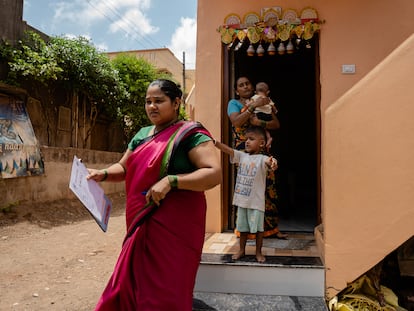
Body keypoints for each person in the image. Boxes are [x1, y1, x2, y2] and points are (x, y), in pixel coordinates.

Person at [86, 79, 221, 311]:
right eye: (148, 102)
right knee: (130, 285)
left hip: (175, 229)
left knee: (167, 289)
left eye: (159, 101)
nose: (152, 107)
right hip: (140, 223)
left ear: (176, 102)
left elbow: (213, 174)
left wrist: (172, 181)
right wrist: (103, 174)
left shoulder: (191, 134)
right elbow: (125, 168)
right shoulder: (142, 135)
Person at [228, 76, 287, 239]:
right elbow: (237, 122)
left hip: (262, 150)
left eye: (247, 83)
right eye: (241, 85)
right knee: (247, 189)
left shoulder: (264, 101)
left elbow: (276, 124)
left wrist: (260, 123)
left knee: (268, 188)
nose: (245, 86)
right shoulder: (234, 104)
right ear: (236, 90)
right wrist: (253, 106)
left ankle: (271, 228)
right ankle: (245, 230)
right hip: (245, 151)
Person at [214, 126, 278, 263]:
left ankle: (258, 252)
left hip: (256, 202)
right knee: (242, 228)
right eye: (246, 139)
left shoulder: (262, 158)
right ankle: (241, 250)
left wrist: (273, 163)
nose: (247, 142)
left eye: (251, 139)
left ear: (261, 143)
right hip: (242, 201)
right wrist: (216, 143)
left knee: (259, 229)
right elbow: (229, 150)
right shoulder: (242, 156)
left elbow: (270, 162)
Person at [250, 81, 278, 150]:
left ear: (255, 91)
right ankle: (269, 138)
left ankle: (260, 142)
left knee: (257, 129)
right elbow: (273, 108)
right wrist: (275, 111)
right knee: (265, 129)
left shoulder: (255, 97)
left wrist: (246, 106)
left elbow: (251, 104)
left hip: (259, 114)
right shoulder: (268, 99)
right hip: (268, 115)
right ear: (268, 92)